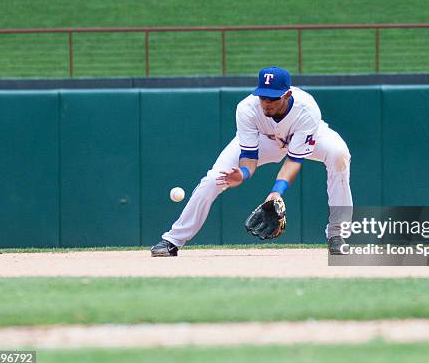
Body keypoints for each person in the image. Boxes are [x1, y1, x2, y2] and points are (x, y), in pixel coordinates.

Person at [151, 66, 352, 257]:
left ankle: (337, 233)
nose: (266, 102)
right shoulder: (247, 109)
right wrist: (243, 173)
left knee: (339, 155)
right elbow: (249, 156)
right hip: (265, 140)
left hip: (304, 136)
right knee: (214, 179)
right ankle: (173, 240)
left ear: (287, 95)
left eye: (273, 98)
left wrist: (276, 192)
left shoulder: (306, 110)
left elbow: (293, 160)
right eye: (263, 96)